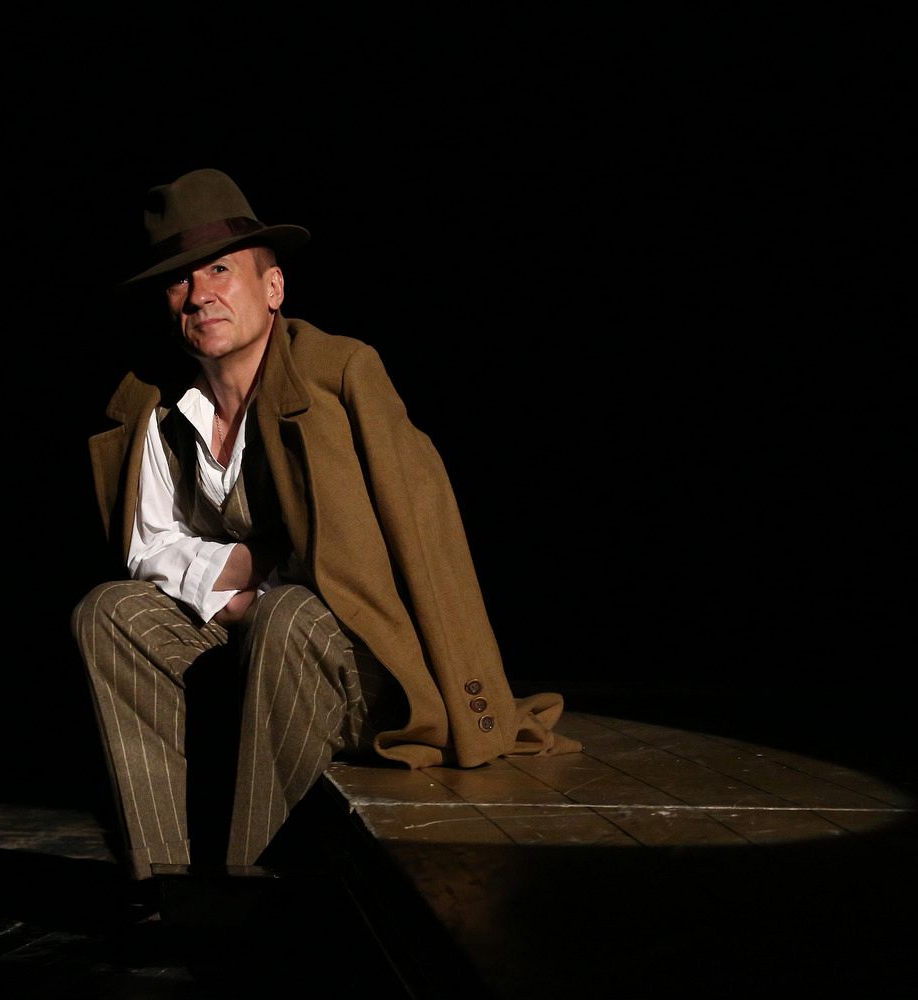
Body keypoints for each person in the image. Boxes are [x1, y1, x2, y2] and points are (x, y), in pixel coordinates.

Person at [72, 168, 581, 884]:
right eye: (180, 280)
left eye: (220, 270)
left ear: (273, 288)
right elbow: (147, 547)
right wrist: (245, 576)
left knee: (288, 617)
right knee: (109, 612)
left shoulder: (339, 374)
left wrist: (475, 700)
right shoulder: (156, 405)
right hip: (245, 630)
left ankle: (254, 889)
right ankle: (162, 880)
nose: (200, 293)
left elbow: (425, 534)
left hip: (353, 653)